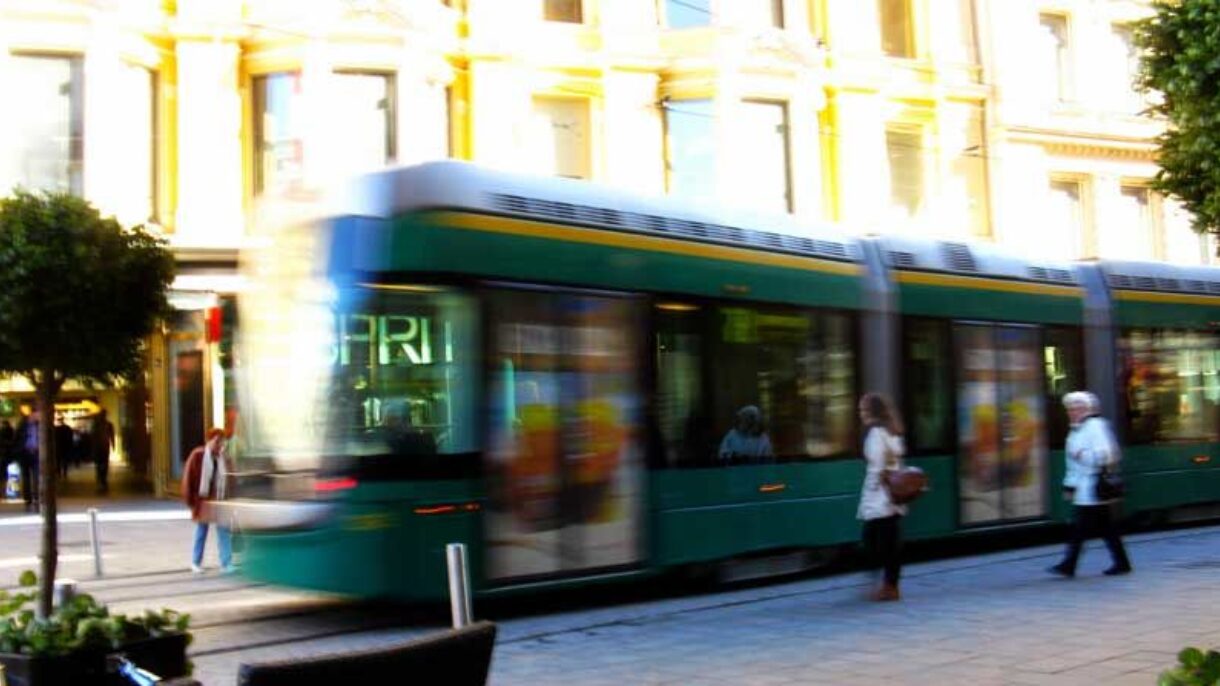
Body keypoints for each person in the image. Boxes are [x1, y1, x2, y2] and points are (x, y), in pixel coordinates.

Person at [1048, 391, 1132, 578]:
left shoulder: (1095, 426)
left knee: (1081, 529)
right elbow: (1072, 464)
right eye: (1070, 409)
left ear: (1087, 408)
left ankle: (1069, 565)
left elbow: (1108, 455)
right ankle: (1121, 563)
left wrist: (1082, 455)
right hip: (1086, 489)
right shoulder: (1075, 430)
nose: (1072, 412)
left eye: (1077, 408)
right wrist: (1069, 485)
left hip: (1095, 487)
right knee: (1106, 528)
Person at [857, 392, 907, 601]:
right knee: (889, 542)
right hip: (894, 495)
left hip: (880, 497)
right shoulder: (892, 431)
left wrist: (868, 495)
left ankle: (889, 586)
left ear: (871, 412)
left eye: (862, 409)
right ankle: (890, 585)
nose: (860, 414)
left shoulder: (875, 434)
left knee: (874, 540)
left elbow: (877, 468)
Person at [182, 428, 234, 574]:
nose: (219, 446)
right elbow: (189, 479)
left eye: (221, 442)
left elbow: (230, 478)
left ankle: (226, 563)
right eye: (217, 442)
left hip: (219, 499)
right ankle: (196, 562)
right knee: (201, 531)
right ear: (209, 441)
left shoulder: (223, 457)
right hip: (203, 500)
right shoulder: (198, 455)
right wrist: (191, 501)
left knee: (224, 531)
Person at [16, 411, 39, 512]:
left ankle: (37, 498)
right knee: (26, 478)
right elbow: (16, 439)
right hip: (24, 453)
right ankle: (28, 499)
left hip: (36, 453)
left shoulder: (39, 426)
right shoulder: (22, 426)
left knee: (37, 477)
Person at [91, 409, 115, 493]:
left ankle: (101, 480)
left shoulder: (96, 425)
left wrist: (113, 445)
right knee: (103, 464)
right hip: (104, 447)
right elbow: (111, 436)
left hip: (100, 447)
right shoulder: (108, 425)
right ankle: (102, 480)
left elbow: (93, 437)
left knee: (99, 464)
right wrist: (113, 445)